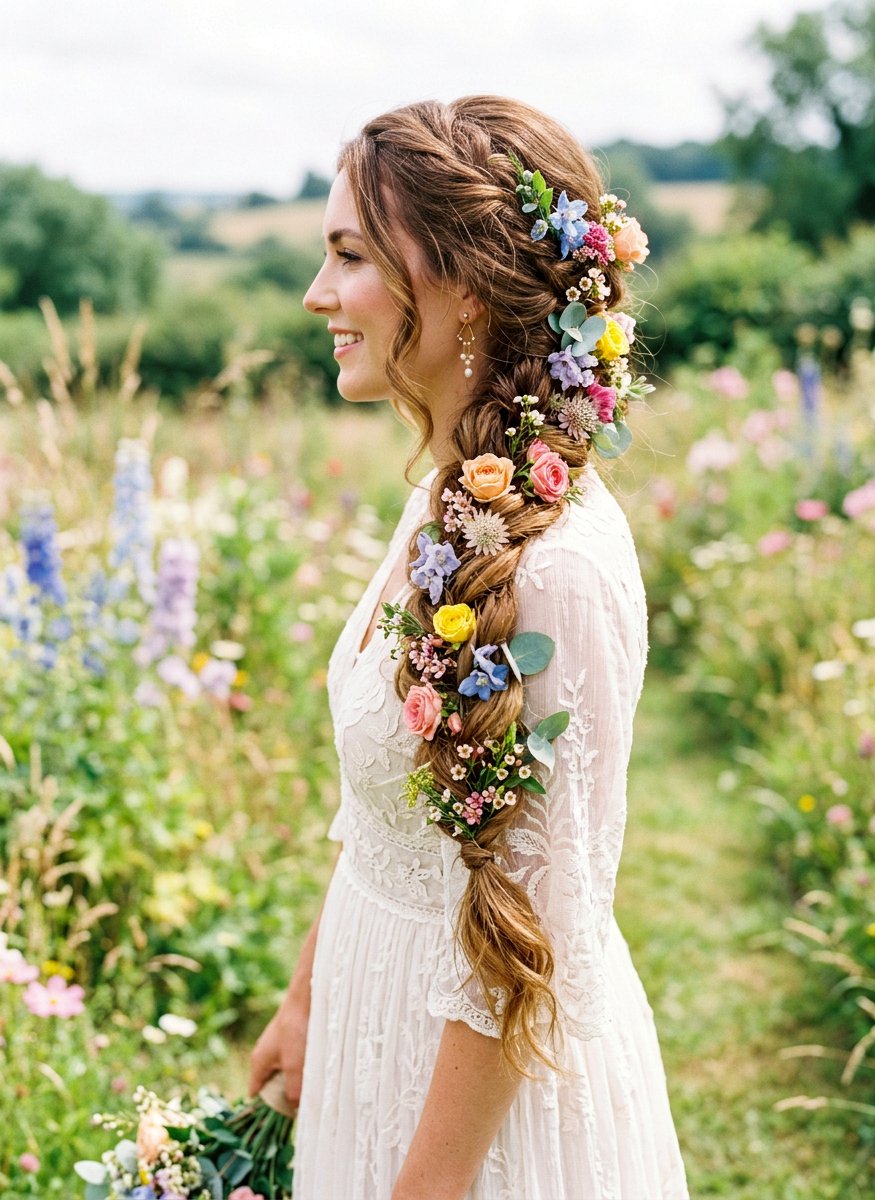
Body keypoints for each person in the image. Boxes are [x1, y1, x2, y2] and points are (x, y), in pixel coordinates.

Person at [248, 94, 690, 1200]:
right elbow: (383, 807)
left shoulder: (555, 569)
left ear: (467, 285)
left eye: (349, 255)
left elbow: (530, 943)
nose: (317, 297)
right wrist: (309, 998)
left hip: (476, 1115)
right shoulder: (453, 509)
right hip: (372, 1016)